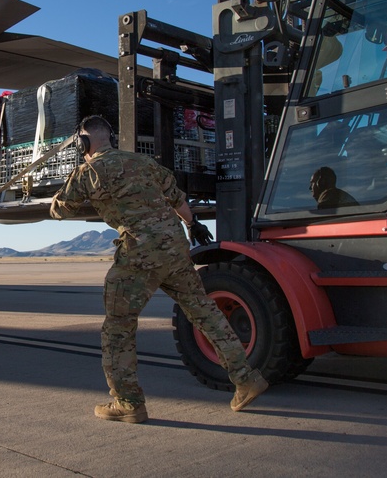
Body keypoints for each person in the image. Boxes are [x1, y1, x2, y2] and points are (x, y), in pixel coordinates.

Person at [50, 116, 267, 424]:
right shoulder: (144, 162)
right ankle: (246, 379)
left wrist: (73, 189)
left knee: (118, 326)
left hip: (139, 253)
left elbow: (60, 209)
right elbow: (177, 198)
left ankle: (128, 402)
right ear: (110, 137)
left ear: (83, 144)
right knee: (205, 312)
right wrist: (193, 224)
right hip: (175, 246)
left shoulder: (88, 172)